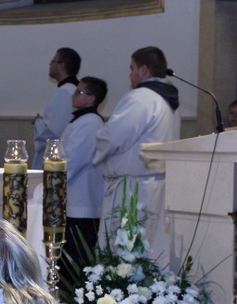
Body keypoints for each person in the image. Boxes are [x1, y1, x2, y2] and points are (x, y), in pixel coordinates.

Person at [93, 46, 181, 269]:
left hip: (132, 189)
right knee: (151, 246)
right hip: (158, 184)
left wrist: (100, 136)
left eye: (132, 68)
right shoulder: (169, 101)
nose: (130, 74)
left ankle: (118, 298)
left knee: (124, 251)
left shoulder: (140, 98)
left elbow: (112, 136)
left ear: (144, 69)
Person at [61, 76, 107, 273]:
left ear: (91, 98)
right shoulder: (84, 121)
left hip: (82, 204)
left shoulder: (90, 123)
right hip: (75, 201)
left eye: (79, 92)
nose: (74, 95)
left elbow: (72, 161)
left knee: (78, 262)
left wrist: (52, 184)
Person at [31, 47, 81, 169]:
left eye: (52, 61)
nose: (50, 65)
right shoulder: (71, 90)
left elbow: (53, 131)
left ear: (62, 66)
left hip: (55, 157)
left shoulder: (65, 93)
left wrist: (38, 122)